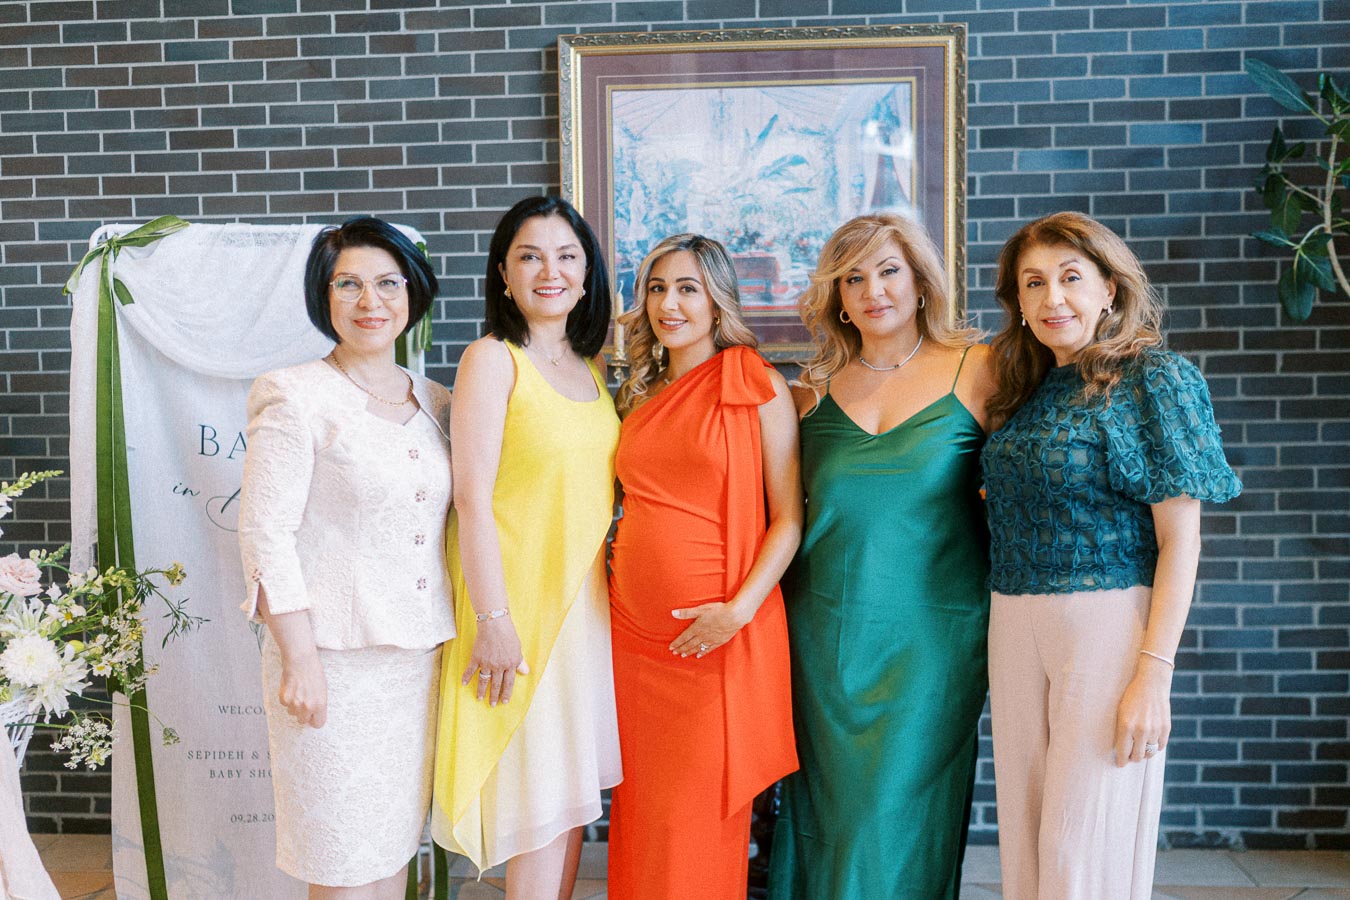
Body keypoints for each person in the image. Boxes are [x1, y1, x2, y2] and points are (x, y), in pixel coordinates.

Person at [981, 211, 1242, 899]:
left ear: (1110, 289)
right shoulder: (1024, 387)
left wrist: (1153, 674)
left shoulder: (1155, 378)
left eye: (1071, 278)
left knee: (1079, 851)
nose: (1052, 298)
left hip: (1104, 625)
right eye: (1033, 283)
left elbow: (1181, 538)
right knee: (1026, 844)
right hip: (1012, 622)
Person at [769, 213, 998, 900]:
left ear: (921, 281)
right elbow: (778, 515)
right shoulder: (807, 392)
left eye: (889, 270)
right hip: (823, 641)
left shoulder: (980, 370)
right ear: (837, 297)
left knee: (898, 813)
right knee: (833, 817)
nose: (873, 290)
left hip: (934, 641)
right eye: (853, 278)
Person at [238, 216, 453, 898]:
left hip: (418, 661)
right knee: (340, 859)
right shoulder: (292, 393)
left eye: (388, 283)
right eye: (348, 284)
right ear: (323, 296)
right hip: (330, 662)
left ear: (412, 292)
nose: (370, 301)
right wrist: (299, 658)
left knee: (393, 848)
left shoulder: (437, 400)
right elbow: (265, 532)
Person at [429, 196, 621, 897]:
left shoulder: (588, 367)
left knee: (565, 807)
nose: (550, 271)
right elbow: (471, 498)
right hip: (516, 611)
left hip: (580, 610)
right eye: (530, 257)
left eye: (567, 256)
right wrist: (494, 621)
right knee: (536, 807)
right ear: (504, 275)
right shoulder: (492, 359)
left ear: (587, 272)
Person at [607, 234, 801, 899]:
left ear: (717, 301)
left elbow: (789, 519)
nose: (670, 304)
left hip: (713, 638)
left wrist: (736, 613)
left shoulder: (756, 383)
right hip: (632, 638)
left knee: (695, 819)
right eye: (657, 289)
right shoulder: (636, 393)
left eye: (687, 289)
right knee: (643, 813)